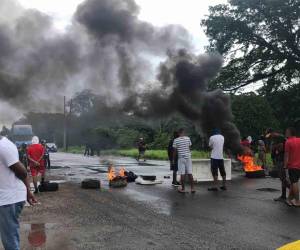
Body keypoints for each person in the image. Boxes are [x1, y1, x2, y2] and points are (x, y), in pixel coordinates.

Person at [0, 135, 36, 250]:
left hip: (8, 200)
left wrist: (28, 191)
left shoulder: (3, 147)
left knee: (9, 240)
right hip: (6, 197)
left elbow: (22, 171)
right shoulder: (6, 144)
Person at [266, 131, 289, 202]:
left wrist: (274, 149)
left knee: (283, 179)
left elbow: (280, 148)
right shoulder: (280, 138)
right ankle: (284, 195)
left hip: (282, 161)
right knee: (283, 179)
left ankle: (292, 193)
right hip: (281, 160)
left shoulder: (279, 139)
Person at [172, 128, 195, 193]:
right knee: (190, 173)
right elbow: (190, 148)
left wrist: (173, 159)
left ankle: (183, 189)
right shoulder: (188, 138)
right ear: (183, 132)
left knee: (182, 174)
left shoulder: (176, 140)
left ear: (179, 133)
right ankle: (192, 188)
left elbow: (175, 151)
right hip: (188, 157)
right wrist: (189, 154)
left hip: (181, 158)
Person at [284, 127, 300, 207]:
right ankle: (289, 199)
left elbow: (286, 155)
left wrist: (285, 165)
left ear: (290, 133)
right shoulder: (299, 140)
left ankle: (297, 201)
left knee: (294, 183)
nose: (286, 133)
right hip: (299, 166)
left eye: (287, 132)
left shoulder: (288, 142)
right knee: (293, 182)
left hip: (293, 166)